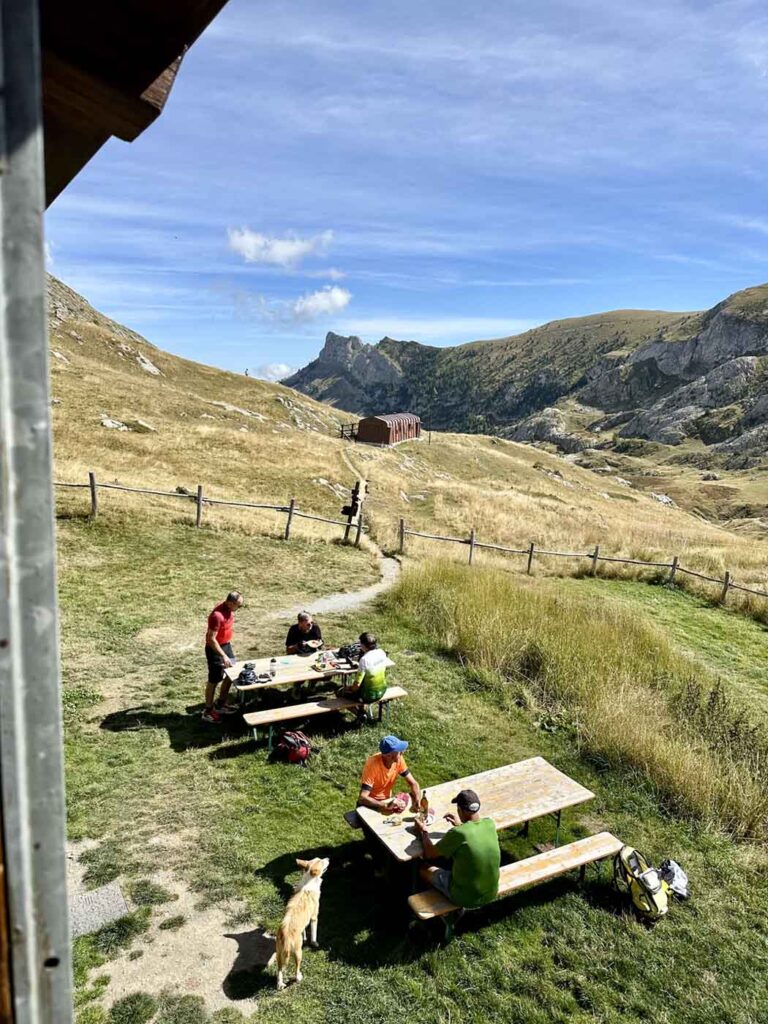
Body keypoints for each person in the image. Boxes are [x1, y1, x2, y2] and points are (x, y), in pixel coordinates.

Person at [414, 788, 500, 909]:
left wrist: (423, 831)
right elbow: (471, 833)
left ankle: (427, 904)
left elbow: (429, 854)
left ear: (460, 810)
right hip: (491, 892)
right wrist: (461, 825)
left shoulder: (458, 833)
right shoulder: (490, 823)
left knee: (424, 868)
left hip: (464, 897)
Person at [203, 590, 244, 723]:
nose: (239, 608)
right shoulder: (217, 616)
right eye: (238, 605)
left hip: (226, 645)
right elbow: (210, 639)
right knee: (214, 679)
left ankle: (221, 704)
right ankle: (208, 711)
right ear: (230, 603)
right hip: (215, 649)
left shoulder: (228, 608)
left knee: (232, 674)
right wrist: (223, 656)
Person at [357, 735, 421, 812]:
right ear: (389, 755)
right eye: (399, 751)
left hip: (386, 801)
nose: (402, 752)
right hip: (369, 806)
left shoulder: (399, 759)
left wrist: (417, 799)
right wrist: (385, 805)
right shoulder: (372, 765)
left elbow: (413, 783)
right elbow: (363, 798)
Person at [342, 632, 393, 704]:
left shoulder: (364, 659)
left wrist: (349, 689)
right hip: (382, 691)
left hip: (368, 696)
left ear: (363, 645)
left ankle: (358, 710)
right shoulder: (382, 652)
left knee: (341, 692)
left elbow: (357, 685)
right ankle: (359, 707)